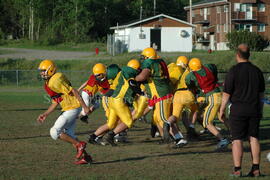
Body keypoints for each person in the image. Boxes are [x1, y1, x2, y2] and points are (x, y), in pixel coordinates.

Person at [219, 44, 265, 177]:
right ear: (249, 54)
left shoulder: (233, 71)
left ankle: (237, 170)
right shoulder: (257, 71)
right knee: (254, 138)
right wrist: (260, 109)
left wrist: (221, 110)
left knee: (237, 139)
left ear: (237, 55)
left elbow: (227, 93)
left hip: (238, 109)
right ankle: (256, 169)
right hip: (254, 108)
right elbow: (261, 94)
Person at [36, 59, 92, 165]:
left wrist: (85, 107)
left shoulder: (56, 79)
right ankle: (86, 157)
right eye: (41, 71)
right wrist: (45, 114)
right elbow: (56, 101)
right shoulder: (48, 83)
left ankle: (80, 145)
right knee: (69, 135)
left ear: (50, 70)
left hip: (72, 107)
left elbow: (74, 91)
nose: (41, 73)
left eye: (43, 70)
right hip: (70, 107)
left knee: (55, 132)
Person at [136, 47, 183, 146]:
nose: (143, 59)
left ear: (148, 57)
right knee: (158, 118)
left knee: (163, 120)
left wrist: (133, 79)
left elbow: (142, 76)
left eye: (144, 57)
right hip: (162, 94)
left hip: (161, 95)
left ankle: (176, 140)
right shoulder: (159, 62)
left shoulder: (149, 63)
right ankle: (179, 139)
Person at [185, 58, 229, 150]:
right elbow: (214, 67)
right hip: (219, 93)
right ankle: (237, 135)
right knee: (221, 117)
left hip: (212, 97)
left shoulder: (191, 75)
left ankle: (223, 140)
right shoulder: (209, 67)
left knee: (206, 122)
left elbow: (191, 86)